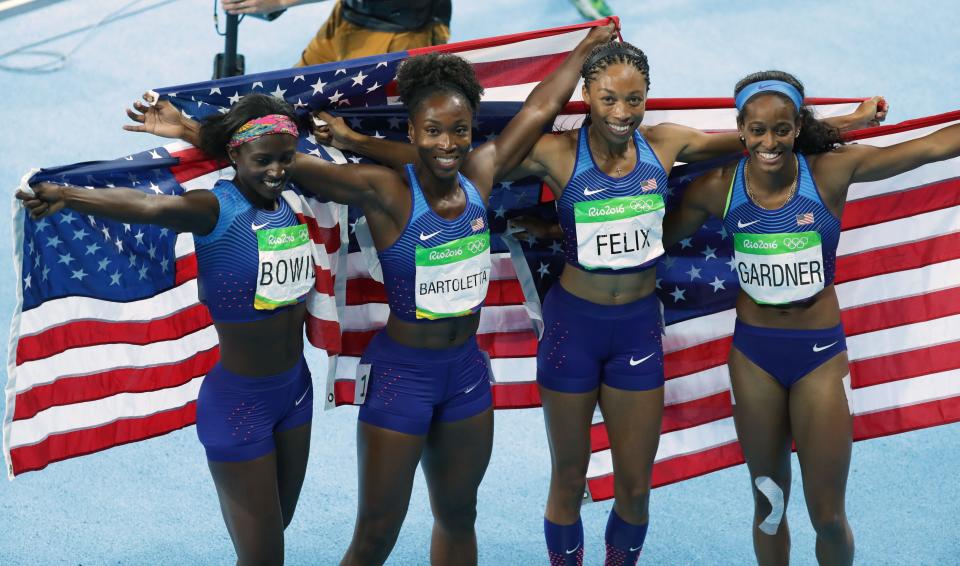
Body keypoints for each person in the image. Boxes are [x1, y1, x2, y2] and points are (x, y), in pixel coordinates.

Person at [316, 41, 883, 565]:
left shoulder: (668, 143)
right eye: (608, 97)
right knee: (568, 480)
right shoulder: (556, 153)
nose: (622, 110)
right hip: (572, 329)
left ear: (646, 99)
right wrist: (358, 142)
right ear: (587, 95)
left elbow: (760, 137)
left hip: (637, 329)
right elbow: (450, 155)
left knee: (635, 487)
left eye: (634, 98)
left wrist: (842, 124)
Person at [129, 20, 615, 565]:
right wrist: (192, 130)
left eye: (459, 129)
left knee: (459, 516)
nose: (448, 143)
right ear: (411, 132)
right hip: (402, 379)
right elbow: (282, 163)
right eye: (433, 130)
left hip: (466, 377)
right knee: (377, 534)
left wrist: (585, 49)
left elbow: (539, 108)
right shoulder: (383, 192)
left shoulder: (482, 173)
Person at [662, 71, 960, 566]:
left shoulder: (828, 173)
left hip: (819, 357)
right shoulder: (716, 189)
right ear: (740, 129)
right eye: (757, 130)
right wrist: (553, 226)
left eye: (781, 129)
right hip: (754, 358)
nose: (769, 142)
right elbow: (652, 241)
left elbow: (929, 149)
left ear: (797, 127)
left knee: (827, 514)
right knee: (769, 508)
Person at [20, 95, 315, 564]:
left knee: (277, 525)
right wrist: (69, 196)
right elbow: (146, 207)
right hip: (239, 405)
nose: (277, 170)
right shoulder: (214, 208)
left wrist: (187, 130)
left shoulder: (291, 201)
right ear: (235, 157)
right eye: (264, 160)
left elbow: (266, 154)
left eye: (286, 158)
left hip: (297, 393)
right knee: (263, 557)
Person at [221, 0, 451, 67]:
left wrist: (280, 1)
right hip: (348, 14)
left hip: (401, 30)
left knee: (357, 120)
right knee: (294, 94)